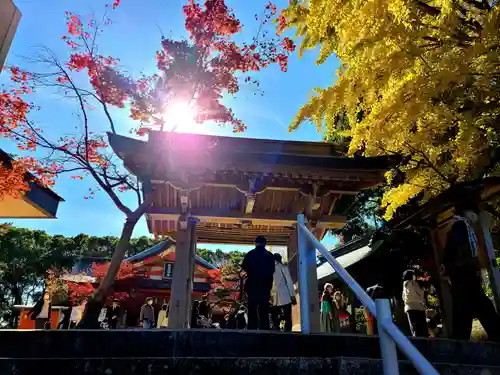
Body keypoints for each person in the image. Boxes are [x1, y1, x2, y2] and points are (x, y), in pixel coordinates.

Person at [441, 196, 500, 342]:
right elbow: (458, 250)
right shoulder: (460, 226)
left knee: (465, 313)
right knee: (481, 308)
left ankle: (460, 345)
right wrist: (470, 265)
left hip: (461, 275)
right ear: (468, 212)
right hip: (464, 274)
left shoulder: (458, 225)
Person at [241, 236, 275, 330]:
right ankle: (264, 329)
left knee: (252, 309)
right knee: (264, 309)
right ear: (265, 244)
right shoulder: (269, 255)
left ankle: (252, 329)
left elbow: (244, 267)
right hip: (265, 286)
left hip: (252, 285)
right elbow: (272, 270)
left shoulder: (250, 254)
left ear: (255, 243)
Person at [270, 253, 295, 332]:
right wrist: (292, 295)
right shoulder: (283, 267)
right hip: (285, 296)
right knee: (288, 316)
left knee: (274, 315)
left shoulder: (268, 268)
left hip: (273, 297)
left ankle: (276, 329)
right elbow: (289, 282)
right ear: (279, 259)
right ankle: (287, 332)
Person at [402, 270, 428, 337]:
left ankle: (417, 343)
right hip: (420, 307)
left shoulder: (406, 284)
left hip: (410, 308)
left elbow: (403, 297)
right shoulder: (418, 284)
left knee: (414, 328)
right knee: (423, 328)